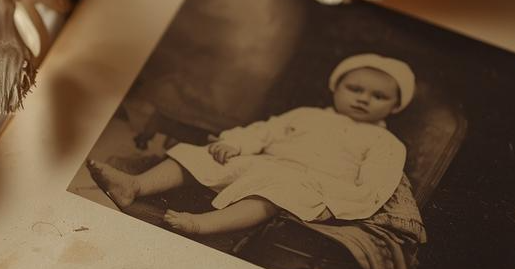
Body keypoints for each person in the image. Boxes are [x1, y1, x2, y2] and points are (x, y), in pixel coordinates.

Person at [93, 54, 415, 235]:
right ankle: (134, 186)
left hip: (314, 185)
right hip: (267, 162)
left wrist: (335, 202)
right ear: (336, 88)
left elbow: (374, 185)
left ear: (395, 106)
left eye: (378, 96)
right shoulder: (307, 115)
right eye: (354, 88)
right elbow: (265, 131)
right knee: (203, 155)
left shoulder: (386, 142)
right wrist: (236, 144)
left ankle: (204, 224)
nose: (363, 99)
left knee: (276, 190)